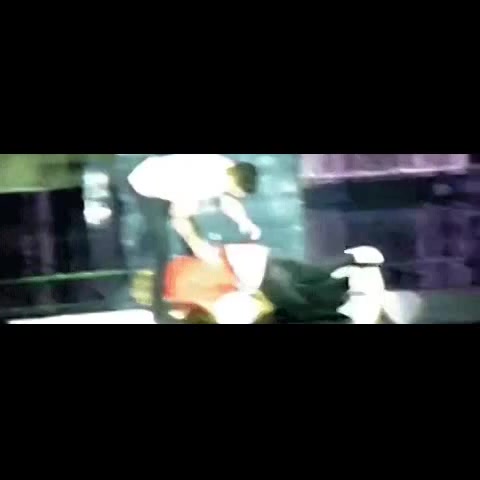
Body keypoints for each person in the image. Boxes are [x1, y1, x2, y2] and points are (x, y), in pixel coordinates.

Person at [127, 154, 261, 321]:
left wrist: (245, 222)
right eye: (238, 193)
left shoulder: (227, 167)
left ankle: (189, 298)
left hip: (165, 177)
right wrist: (198, 246)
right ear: (235, 183)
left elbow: (228, 200)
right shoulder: (199, 184)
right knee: (163, 249)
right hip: (146, 185)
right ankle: (159, 311)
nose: (238, 196)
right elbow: (179, 220)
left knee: (193, 241)